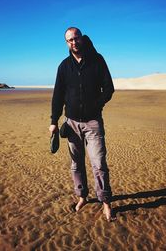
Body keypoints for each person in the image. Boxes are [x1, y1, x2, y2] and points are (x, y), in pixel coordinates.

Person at [49, 27, 115, 221]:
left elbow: (109, 88)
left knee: (99, 163)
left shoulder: (97, 60)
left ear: (82, 38)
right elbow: (57, 96)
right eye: (69, 40)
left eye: (76, 38)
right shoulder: (64, 66)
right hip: (71, 123)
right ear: (66, 43)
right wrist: (53, 121)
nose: (74, 43)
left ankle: (105, 202)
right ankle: (82, 197)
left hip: (93, 122)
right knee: (76, 164)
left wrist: (96, 104)